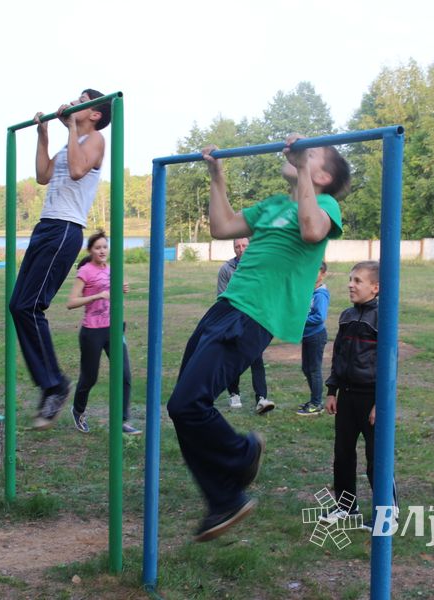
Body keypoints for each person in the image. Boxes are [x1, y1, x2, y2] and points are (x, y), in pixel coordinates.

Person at [167, 134, 348, 542]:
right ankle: (224, 496)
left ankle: (242, 456)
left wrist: (300, 167)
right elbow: (221, 227)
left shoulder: (326, 205)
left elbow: (310, 232)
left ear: (320, 174)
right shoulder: (272, 205)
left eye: (312, 155)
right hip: (226, 306)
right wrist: (216, 177)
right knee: (181, 406)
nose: (301, 156)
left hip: (254, 316)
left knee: (188, 404)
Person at [8, 89, 112, 430]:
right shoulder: (72, 138)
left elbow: (80, 170)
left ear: (94, 113)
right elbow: (43, 175)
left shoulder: (94, 139)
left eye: (83, 101)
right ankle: (52, 383)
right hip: (46, 225)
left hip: (66, 229)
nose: (74, 103)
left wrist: (69, 127)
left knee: (31, 306)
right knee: (18, 305)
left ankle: (55, 385)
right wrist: (43, 134)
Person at [324, 260, 397, 519]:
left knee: (376, 458)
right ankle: (347, 506)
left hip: (372, 398)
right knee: (342, 454)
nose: (350, 285)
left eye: (358, 281)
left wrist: (382, 402)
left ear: (376, 288)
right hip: (347, 396)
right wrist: (332, 390)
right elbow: (338, 355)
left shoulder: (383, 318)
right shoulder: (347, 315)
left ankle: (387, 512)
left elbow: (389, 363)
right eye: (350, 279)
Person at [66, 230, 141, 435]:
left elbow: (112, 294)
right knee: (90, 378)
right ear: (90, 250)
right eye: (97, 247)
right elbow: (70, 302)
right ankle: (78, 410)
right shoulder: (85, 272)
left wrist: (121, 289)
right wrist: (97, 295)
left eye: (104, 247)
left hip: (114, 328)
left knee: (124, 375)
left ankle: (121, 421)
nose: (102, 251)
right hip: (92, 331)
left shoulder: (111, 269)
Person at [216, 237, 271, 413]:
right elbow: (222, 297)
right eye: (237, 246)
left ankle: (261, 398)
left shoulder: (260, 266)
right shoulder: (226, 269)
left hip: (255, 320)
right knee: (234, 358)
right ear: (234, 249)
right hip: (234, 320)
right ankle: (234, 394)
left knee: (257, 359)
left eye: (244, 245)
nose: (241, 249)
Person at [296, 262, 330, 416]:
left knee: (314, 370)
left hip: (316, 336)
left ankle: (317, 404)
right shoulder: (311, 291)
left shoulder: (320, 294)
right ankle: (314, 400)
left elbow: (320, 317)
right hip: (308, 336)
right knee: (306, 368)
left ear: (323, 274)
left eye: (317, 271)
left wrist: (301, 319)